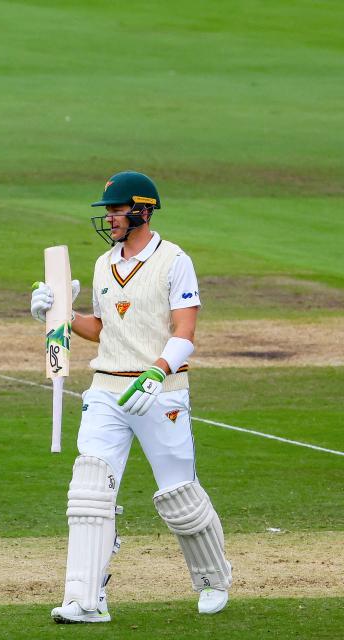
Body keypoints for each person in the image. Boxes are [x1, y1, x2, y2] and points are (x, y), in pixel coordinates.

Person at [30, 171, 231, 622]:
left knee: (178, 493)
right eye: (108, 211)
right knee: (89, 491)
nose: (110, 218)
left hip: (160, 391)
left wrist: (158, 374)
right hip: (106, 389)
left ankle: (213, 576)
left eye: (116, 210)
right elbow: (100, 331)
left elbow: (186, 331)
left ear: (142, 210)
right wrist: (58, 314)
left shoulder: (175, 260)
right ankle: (86, 599)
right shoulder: (105, 263)